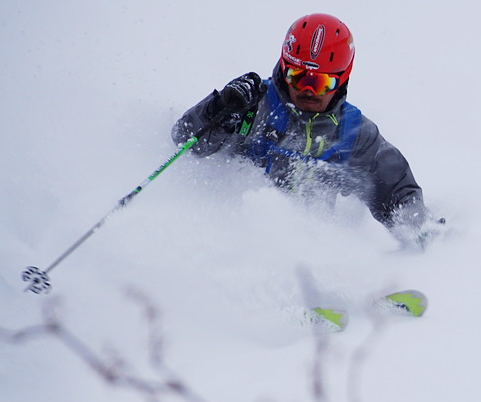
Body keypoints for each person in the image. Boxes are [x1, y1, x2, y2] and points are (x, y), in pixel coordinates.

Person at [172, 13, 443, 248]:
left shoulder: (353, 133)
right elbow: (183, 140)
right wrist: (218, 110)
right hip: (225, 239)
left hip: (304, 251)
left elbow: (394, 187)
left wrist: (417, 227)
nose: (307, 90)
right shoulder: (253, 106)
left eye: (321, 82)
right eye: (296, 76)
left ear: (342, 79)